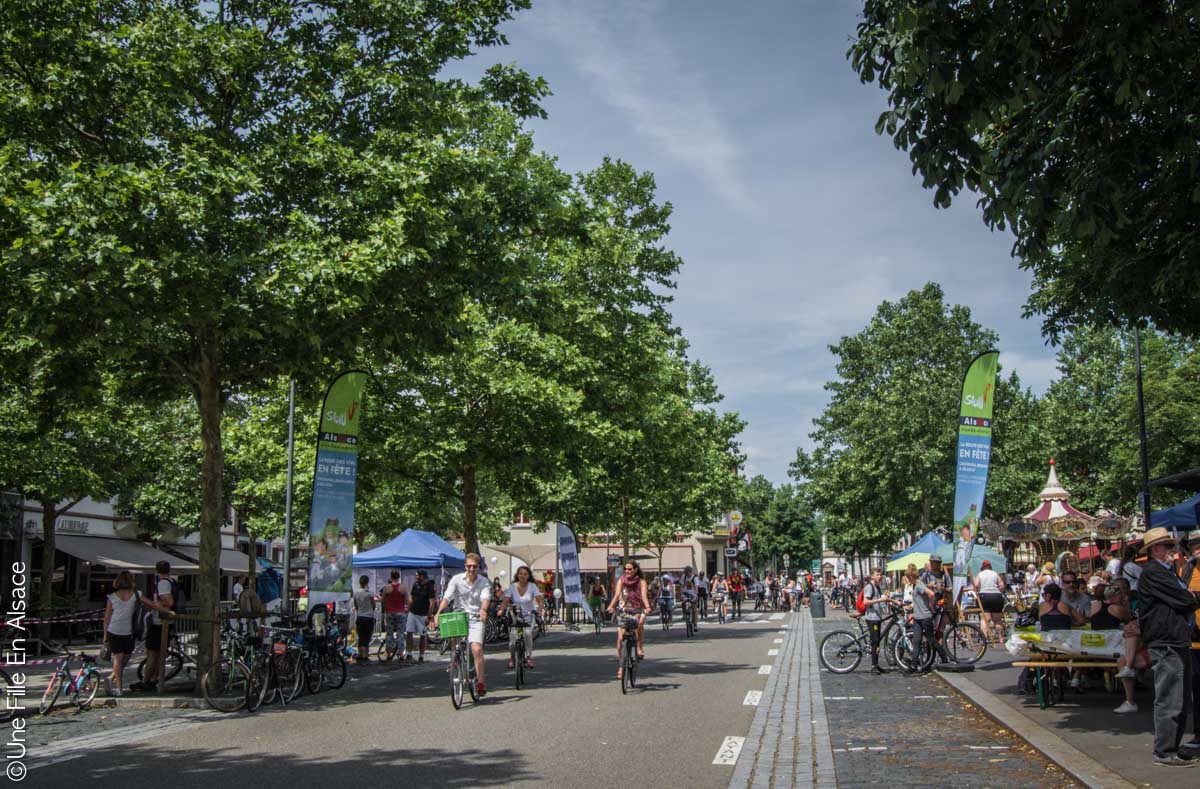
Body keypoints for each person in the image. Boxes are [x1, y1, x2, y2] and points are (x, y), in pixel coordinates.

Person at [1137, 528, 1200, 766]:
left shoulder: (1169, 571)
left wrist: (1191, 596)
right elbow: (1184, 599)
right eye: (1168, 547)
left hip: (1175, 638)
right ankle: (1164, 751)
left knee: (1180, 697)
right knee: (1170, 698)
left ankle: (1171, 747)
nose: (1173, 551)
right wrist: (1192, 597)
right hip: (1166, 641)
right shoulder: (1154, 572)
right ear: (1155, 550)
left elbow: (1185, 597)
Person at [434, 553, 493, 697]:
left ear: (478, 567)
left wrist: (483, 610)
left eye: (474, 566)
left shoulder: (484, 581)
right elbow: (447, 597)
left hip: (475, 617)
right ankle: (455, 659)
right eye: (469, 566)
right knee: (454, 634)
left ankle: (480, 682)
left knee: (477, 649)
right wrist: (438, 612)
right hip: (459, 615)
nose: (471, 569)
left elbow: (485, 597)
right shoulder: (456, 579)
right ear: (465, 566)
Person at [133, 560, 175, 692]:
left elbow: (169, 601)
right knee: (159, 654)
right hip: (165, 622)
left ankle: (146, 681)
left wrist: (152, 603)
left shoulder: (163, 583)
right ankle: (154, 679)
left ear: (157, 571)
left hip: (159, 623)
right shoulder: (171, 581)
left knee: (152, 654)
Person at [904, 564, 950, 674]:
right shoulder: (916, 585)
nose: (906, 579)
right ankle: (914, 664)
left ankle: (944, 657)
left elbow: (931, 594)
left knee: (932, 640)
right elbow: (920, 599)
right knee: (916, 640)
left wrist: (931, 605)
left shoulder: (919, 585)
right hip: (918, 617)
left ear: (911, 576)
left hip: (925, 617)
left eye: (907, 577)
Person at [607, 560, 650, 677]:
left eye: (630, 569)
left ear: (635, 570)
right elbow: (616, 596)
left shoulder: (641, 582)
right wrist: (611, 606)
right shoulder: (621, 580)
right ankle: (621, 666)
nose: (627, 571)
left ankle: (639, 648)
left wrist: (647, 607)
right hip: (624, 610)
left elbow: (644, 596)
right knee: (620, 640)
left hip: (637, 609)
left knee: (639, 624)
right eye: (625, 569)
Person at [498, 565, 544, 669]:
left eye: (525, 574)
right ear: (517, 575)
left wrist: (539, 613)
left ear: (528, 576)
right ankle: (512, 658)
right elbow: (506, 600)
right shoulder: (513, 587)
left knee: (528, 634)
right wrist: (501, 610)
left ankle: (528, 657)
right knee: (512, 638)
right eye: (520, 574)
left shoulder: (532, 586)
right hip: (515, 615)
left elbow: (540, 601)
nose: (522, 576)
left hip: (529, 615)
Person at [1178, 529, 1200, 750]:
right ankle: (1198, 735)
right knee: (1196, 689)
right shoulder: (1187, 569)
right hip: (1194, 640)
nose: (1198, 548)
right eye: (1195, 545)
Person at [103, 571, 139, 697]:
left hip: (115, 630)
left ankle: (114, 679)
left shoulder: (112, 597)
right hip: (126, 631)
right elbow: (150, 604)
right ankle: (119, 688)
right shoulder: (136, 595)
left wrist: (105, 636)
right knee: (120, 658)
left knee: (123, 657)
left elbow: (107, 618)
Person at [862, 567, 890, 674]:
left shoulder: (877, 587)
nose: (879, 577)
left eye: (880, 575)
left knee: (877, 641)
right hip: (872, 618)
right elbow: (865, 602)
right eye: (877, 575)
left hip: (877, 617)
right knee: (875, 642)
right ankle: (873, 666)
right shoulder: (869, 587)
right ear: (872, 576)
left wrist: (894, 602)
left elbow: (883, 599)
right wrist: (879, 600)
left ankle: (877, 664)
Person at [406, 569, 436, 663]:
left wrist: (429, 616)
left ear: (422, 576)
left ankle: (421, 656)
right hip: (413, 612)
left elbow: (432, 603)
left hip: (423, 614)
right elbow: (411, 597)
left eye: (417, 575)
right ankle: (409, 654)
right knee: (409, 632)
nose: (416, 577)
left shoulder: (429, 586)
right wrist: (408, 607)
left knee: (422, 635)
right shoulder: (415, 584)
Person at [379, 570, 409, 661]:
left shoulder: (386, 588)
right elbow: (407, 601)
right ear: (399, 577)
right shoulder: (403, 588)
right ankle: (401, 654)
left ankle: (389, 654)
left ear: (391, 577)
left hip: (389, 612)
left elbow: (383, 601)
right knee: (400, 633)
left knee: (389, 634)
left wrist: (385, 610)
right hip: (400, 612)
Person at [351, 575, 378, 663]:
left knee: (361, 637)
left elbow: (356, 605)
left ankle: (360, 655)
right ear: (367, 582)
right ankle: (365, 656)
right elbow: (374, 605)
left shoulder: (356, 593)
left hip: (360, 617)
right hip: (369, 617)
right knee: (367, 637)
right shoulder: (369, 593)